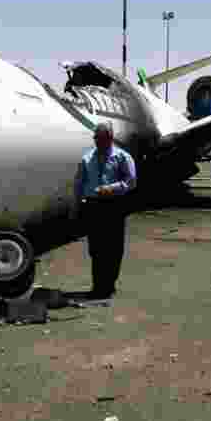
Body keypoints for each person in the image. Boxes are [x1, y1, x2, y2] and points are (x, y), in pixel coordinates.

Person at [73, 122, 137, 302]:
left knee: (114, 248)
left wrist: (111, 188)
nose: (98, 142)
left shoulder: (122, 157)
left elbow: (131, 181)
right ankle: (98, 286)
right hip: (93, 206)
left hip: (114, 205)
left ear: (109, 138)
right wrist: (77, 204)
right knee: (96, 248)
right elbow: (79, 183)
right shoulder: (87, 158)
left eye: (101, 139)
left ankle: (109, 284)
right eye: (96, 138)